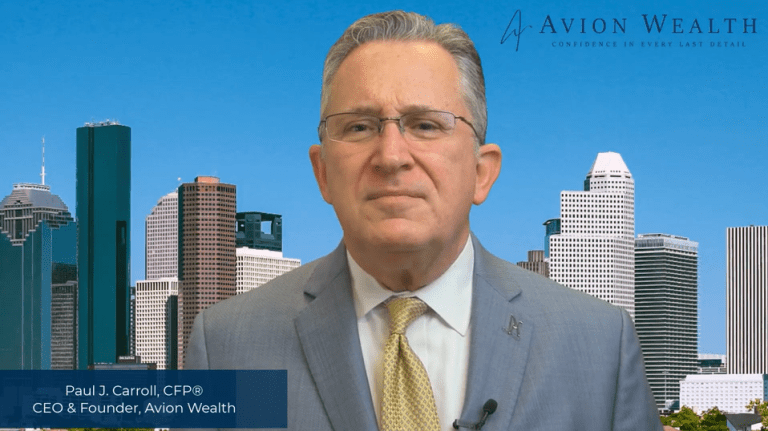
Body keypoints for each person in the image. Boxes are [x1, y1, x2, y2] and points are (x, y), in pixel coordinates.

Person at [186, 10, 662, 431]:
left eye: (426, 125)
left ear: (482, 172)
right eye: (359, 126)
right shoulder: (225, 348)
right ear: (323, 172)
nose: (391, 156)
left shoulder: (601, 346)